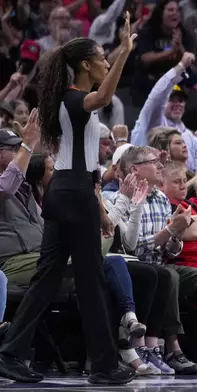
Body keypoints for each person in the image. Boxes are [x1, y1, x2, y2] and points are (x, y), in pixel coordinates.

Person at [0, 15, 138, 385]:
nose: (106, 63)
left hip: (68, 191)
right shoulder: (76, 100)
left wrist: (98, 205)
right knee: (91, 280)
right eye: (102, 58)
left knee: (46, 279)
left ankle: (11, 353)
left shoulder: (68, 100)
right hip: (73, 192)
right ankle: (105, 365)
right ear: (84, 66)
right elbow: (106, 95)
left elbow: (86, 161)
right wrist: (125, 51)